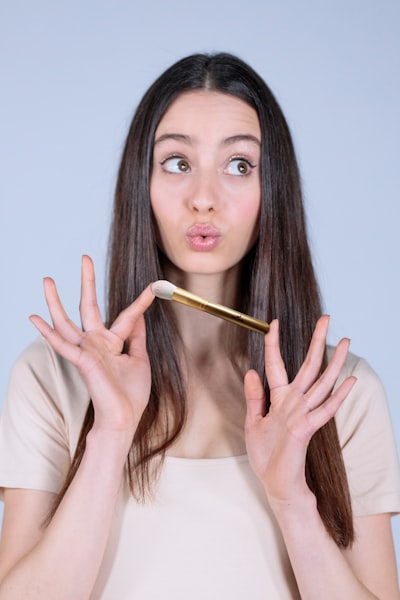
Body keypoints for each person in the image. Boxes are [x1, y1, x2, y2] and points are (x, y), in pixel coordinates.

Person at [0, 52, 399, 599]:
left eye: (239, 165)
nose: (204, 198)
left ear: (273, 190)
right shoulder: (53, 378)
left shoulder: (337, 396)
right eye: (177, 163)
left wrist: (292, 501)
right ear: (140, 185)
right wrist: (110, 436)